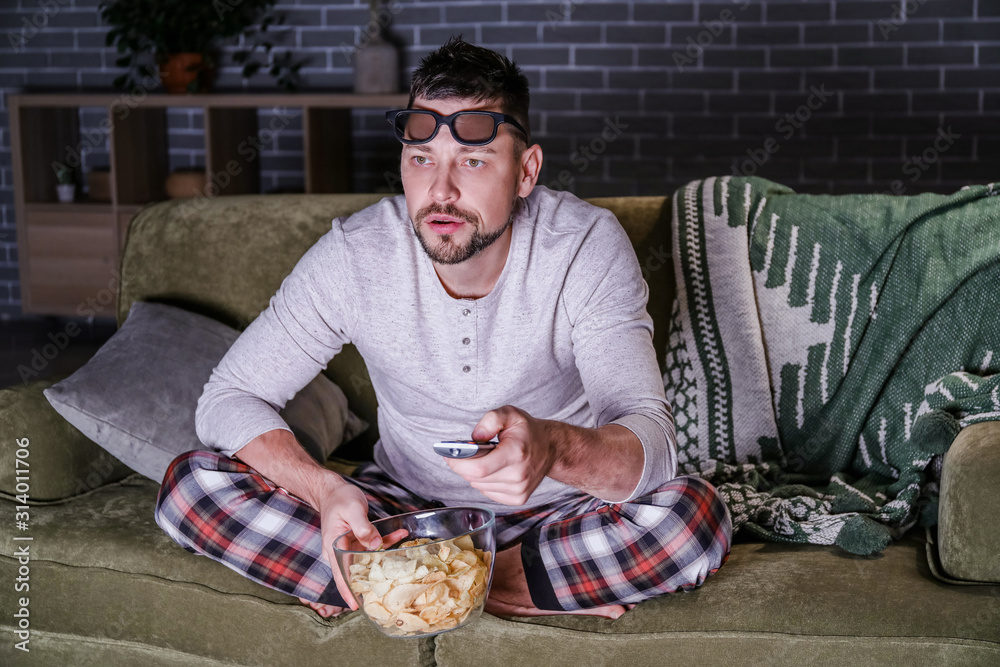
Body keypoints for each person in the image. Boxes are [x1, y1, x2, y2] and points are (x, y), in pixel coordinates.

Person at [155, 36, 731, 621]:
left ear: (526, 171)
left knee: (692, 518)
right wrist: (326, 492)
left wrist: (552, 447)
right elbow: (227, 399)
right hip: (400, 513)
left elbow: (652, 448)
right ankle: (511, 591)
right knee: (190, 486)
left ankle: (414, 590)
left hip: (555, 512)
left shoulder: (584, 246)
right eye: (421, 158)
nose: (441, 192)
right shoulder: (356, 256)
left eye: (473, 161)